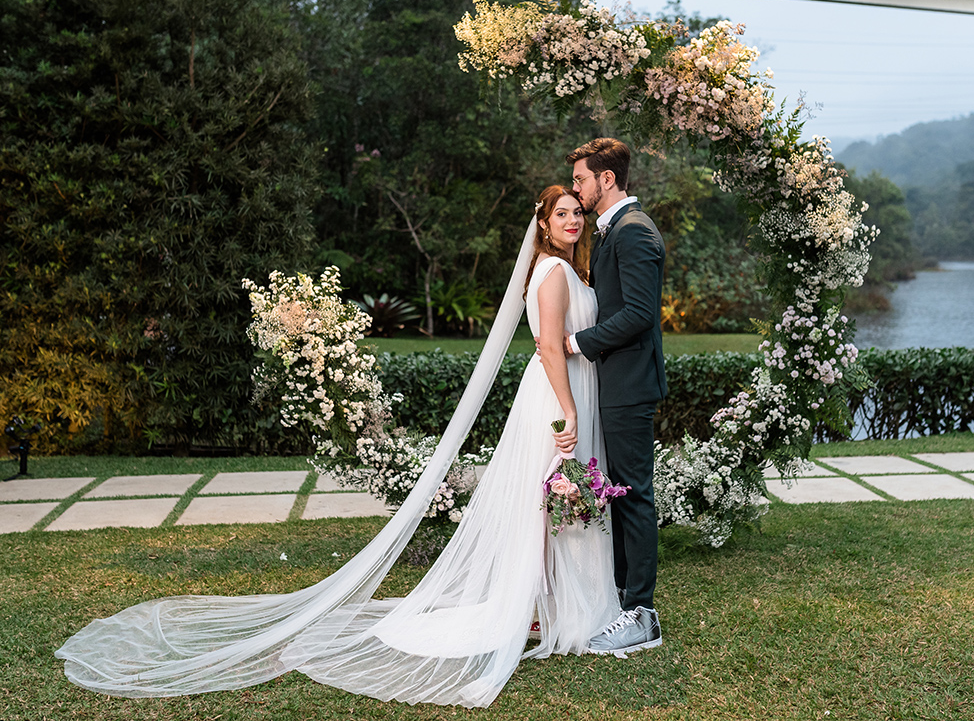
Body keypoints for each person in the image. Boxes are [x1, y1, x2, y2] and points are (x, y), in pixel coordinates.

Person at [54, 185, 619, 708]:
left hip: (565, 392)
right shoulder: (551, 274)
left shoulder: (568, 270)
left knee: (553, 503)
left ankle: (540, 607)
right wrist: (567, 412)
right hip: (554, 399)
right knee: (550, 501)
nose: (571, 220)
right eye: (559, 214)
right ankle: (531, 607)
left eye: (576, 212)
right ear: (542, 225)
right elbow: (548, 347)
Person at [559, 138, 667, 657]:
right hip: (614, 384)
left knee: (635, 494)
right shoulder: (613, 232)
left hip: (628, 385)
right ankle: (623, 600)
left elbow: (639, 314)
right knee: (621, 491)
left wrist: (578, 342)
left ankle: (642, 615)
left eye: (581, 179)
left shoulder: (634, 231)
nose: (576, 189)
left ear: (607, 178)